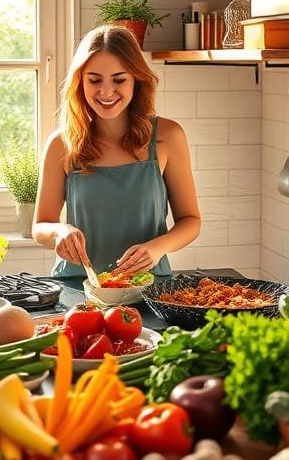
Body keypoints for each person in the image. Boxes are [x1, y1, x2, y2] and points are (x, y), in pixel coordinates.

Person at [33, 25, 201, 277]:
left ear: (136, 80)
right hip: (79, 287)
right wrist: (60, 232)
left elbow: (190, 220)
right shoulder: (62, 143)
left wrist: (157, 248)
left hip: (149, 286)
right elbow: (40, 226)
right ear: (80, 82)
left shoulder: (169, 137)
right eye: (94, 80)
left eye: (119, 79)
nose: (106, 91)